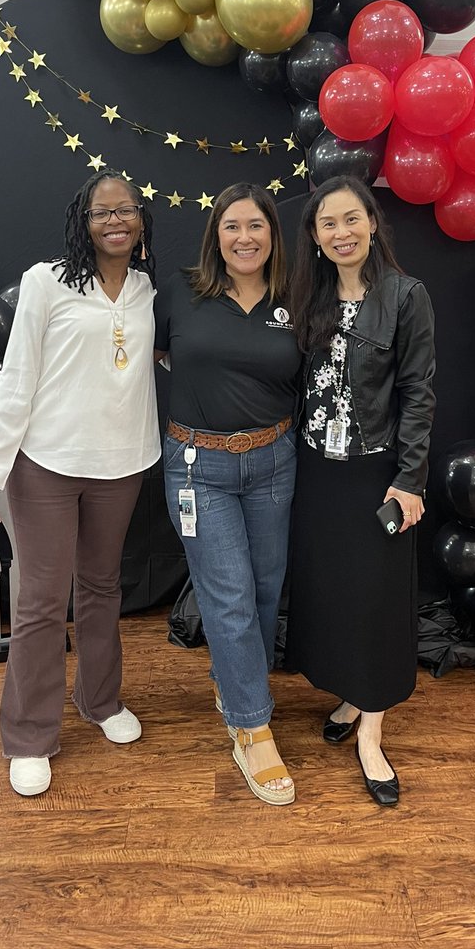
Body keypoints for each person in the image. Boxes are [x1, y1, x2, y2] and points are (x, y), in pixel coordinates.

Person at [0, 170, 160, 797]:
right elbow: (17, 375)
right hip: (46, 462)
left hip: (122, 463)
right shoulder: (45, 281)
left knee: (103, 587)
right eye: (102, 212)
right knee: (43, 602)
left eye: (126, 210)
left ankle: (100, 702)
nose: (115, 221)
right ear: (83, 220)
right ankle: (28, 734)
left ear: (140, 221)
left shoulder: (146, 289)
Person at [286, 175, 436, 806]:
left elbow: (418, 393)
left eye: (352, 219)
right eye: (328, 223)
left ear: (373, 224)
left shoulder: (406, 297)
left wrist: (409, 480)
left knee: (376, 596)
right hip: (317, 470)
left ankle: (372, 730)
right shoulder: (308, 297)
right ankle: (351, 692)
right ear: (316, 238)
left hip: (378, 475)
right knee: (333, 590)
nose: (341, 233)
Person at [154, 182, 301, 805]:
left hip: (274, 461)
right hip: (197, 467)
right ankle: (251, 727)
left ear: (273, 234)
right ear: (216, 236)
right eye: (232, 226)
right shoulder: (183, 295)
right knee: (232, 596)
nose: (245, 238)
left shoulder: (296, 297)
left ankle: (235, 683)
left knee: (266, 589)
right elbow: (155, 356)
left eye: (257, 226)